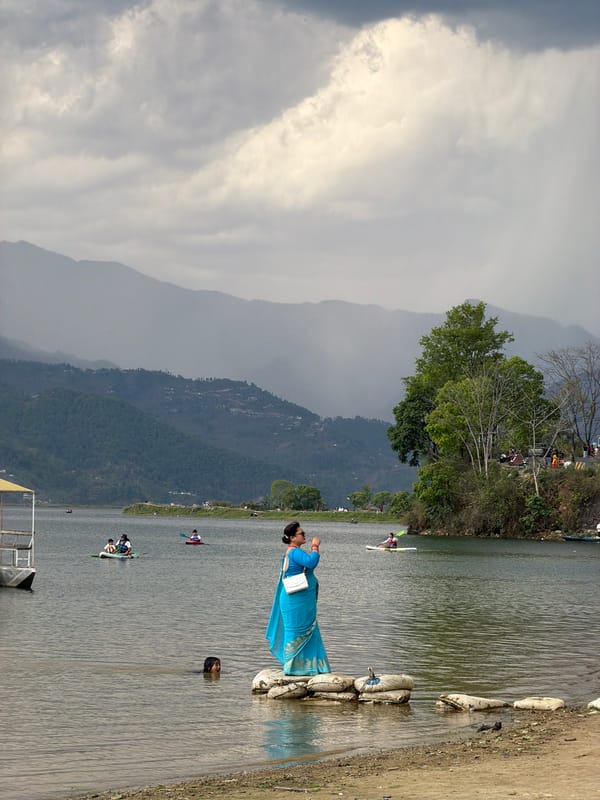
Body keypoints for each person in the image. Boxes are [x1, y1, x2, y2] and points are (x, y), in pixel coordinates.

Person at [265, 521, 331, 676]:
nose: (305, 536)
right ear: (293, 538)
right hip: (296, 601)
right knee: (297, 631)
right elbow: (311, 562)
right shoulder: (294, 552)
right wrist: (315, 546)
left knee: (307, 630)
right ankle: (296, 667)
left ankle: (306, 667)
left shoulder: (291, 552)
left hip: (297, 599)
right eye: (302, 533)